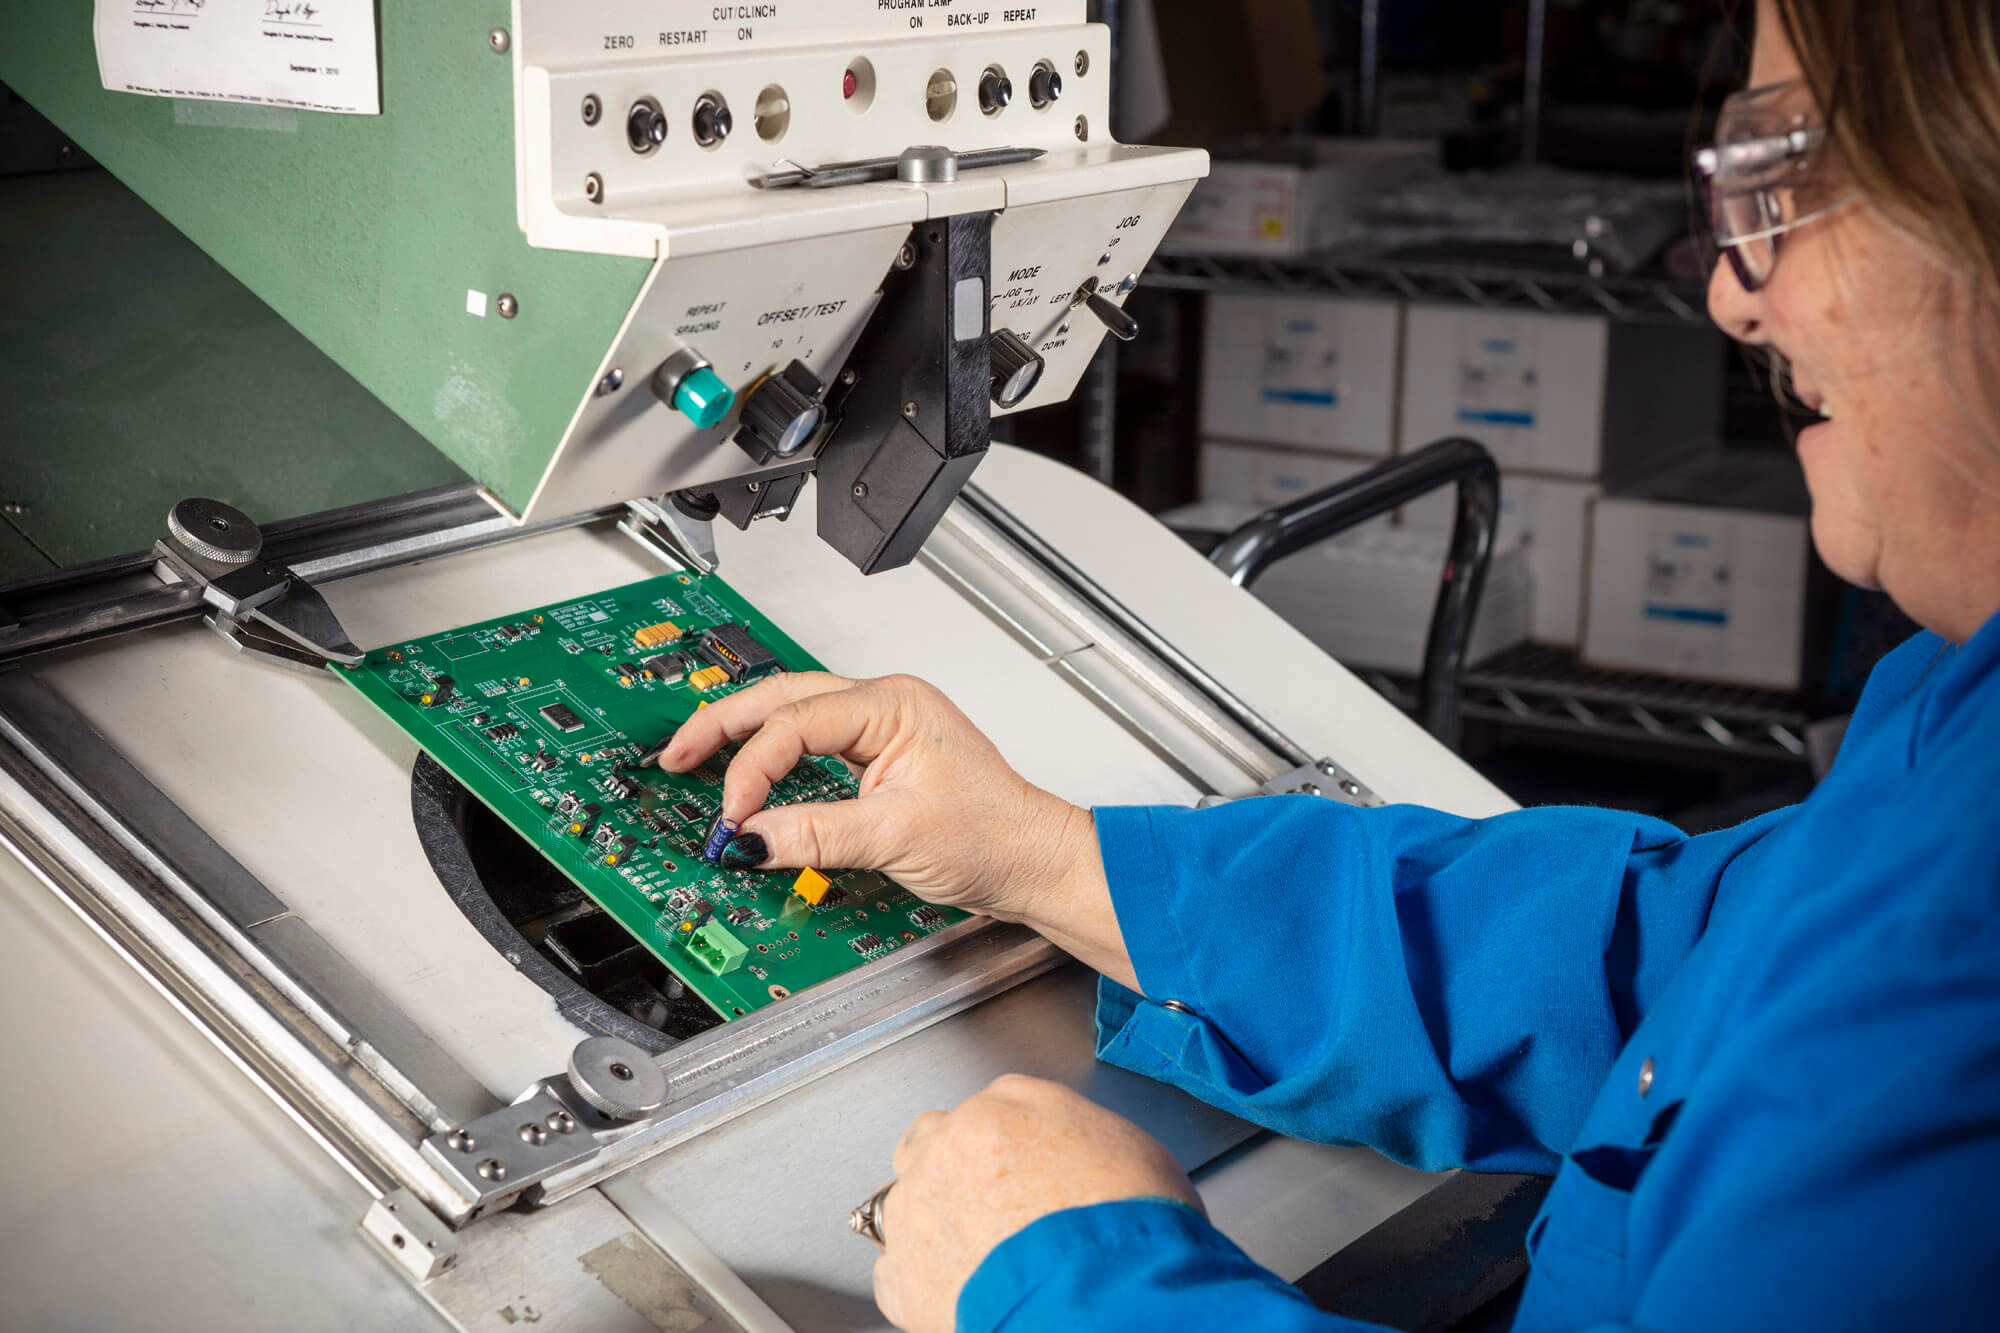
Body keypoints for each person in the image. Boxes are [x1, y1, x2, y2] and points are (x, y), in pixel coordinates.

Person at [658, 0, 2000, 1327]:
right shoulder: (1955, 725)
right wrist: (1052, 856)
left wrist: (1069, 1284)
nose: (1728, 291)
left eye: (1790, 171)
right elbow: (1657, 968)